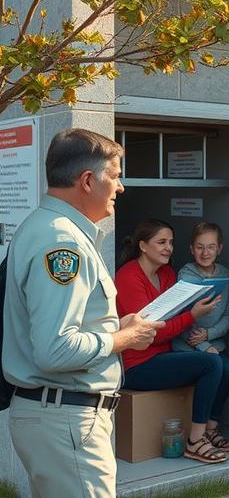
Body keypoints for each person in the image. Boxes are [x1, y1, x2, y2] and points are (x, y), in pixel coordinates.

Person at [3, 128, 163, 497]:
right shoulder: (61, 241)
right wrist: (124, 338)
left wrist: (113, 326)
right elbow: (54, 348)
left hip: (60, 418)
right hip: (66, 419)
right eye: (116, 175)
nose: (121, 188)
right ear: (88, 180)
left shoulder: (44, 226)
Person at [115, 219, 229, 464]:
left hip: (165, 353)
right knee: (211, 364)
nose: (168, 248)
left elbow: (174, 322)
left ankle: (207, 432)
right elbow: (149, 334)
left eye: (170, 242)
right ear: (143, 246)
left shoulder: (168, 273)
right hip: (138, 364)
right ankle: (195, 441)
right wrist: (191, 316)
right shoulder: (128, 276)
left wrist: (189, 320)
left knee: (223, 364)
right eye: (161, 242)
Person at [174, 221, 229, 453]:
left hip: (212, 341)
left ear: (219, 248)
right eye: (200, 247)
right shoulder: (185, 274)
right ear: (191, 248)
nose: (205, 252)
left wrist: (208, 336)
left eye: (211, 247)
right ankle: (200, 435)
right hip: (187, 343)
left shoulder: (225, 275)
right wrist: (201, 345)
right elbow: (180, 315)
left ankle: (212, 429)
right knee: (217, 366)